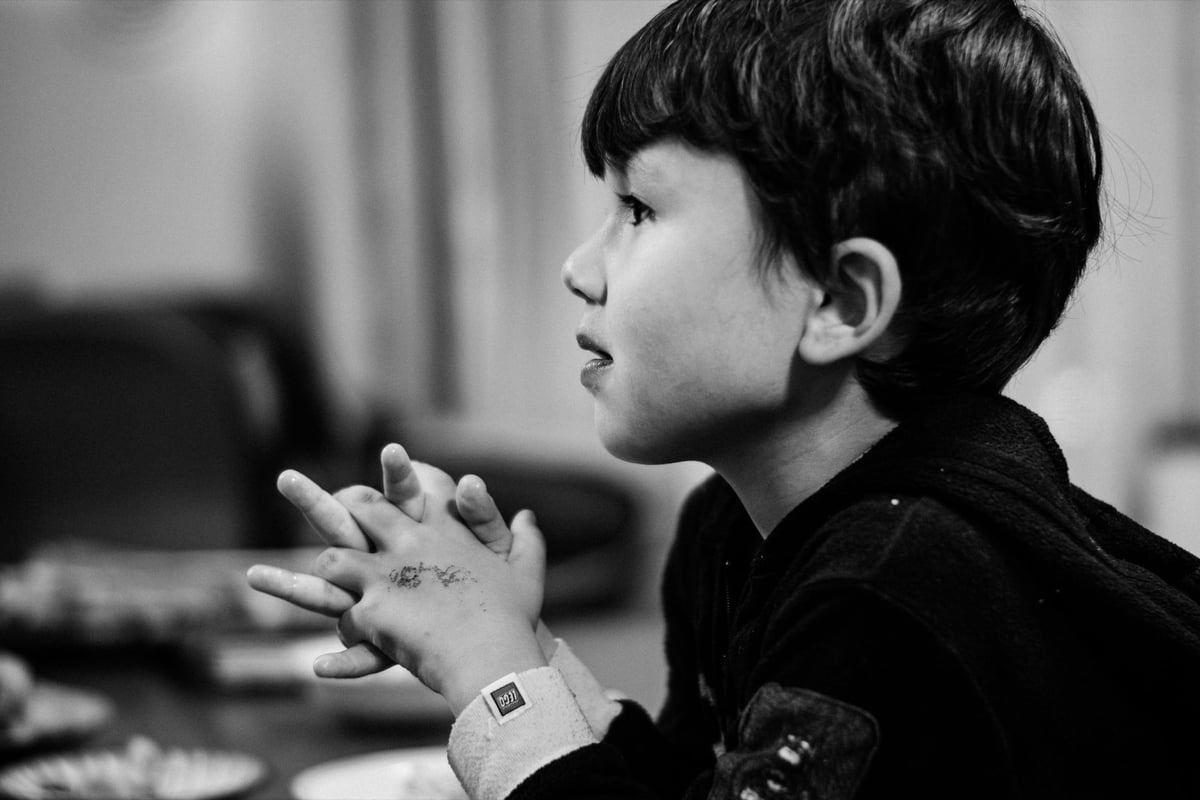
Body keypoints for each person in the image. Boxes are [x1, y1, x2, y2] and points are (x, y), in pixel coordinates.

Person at [247, 0, 1200, 797]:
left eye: (640, 210)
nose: (579, 268)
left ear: (839, 301)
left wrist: (490, 675)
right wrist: (512, 636)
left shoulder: (897, 589)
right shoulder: (731, 531)